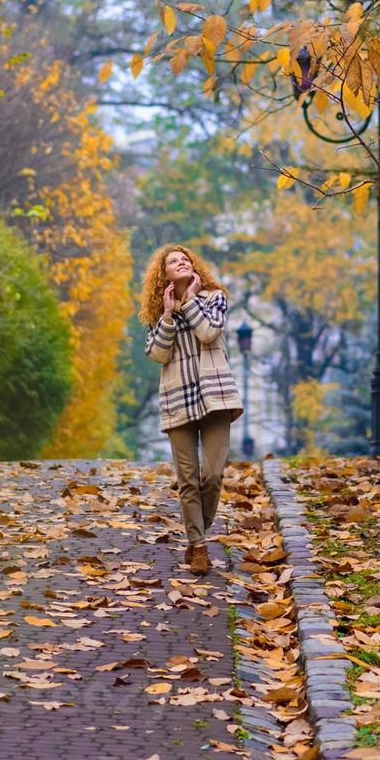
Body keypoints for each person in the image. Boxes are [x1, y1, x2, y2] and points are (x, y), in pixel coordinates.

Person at [139, 244, 244, 575]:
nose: (181, 263)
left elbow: (209, 332)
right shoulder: (158, 313)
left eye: (185, 259)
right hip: (177, 399)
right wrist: (169, 314)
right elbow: (157, 354)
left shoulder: (213, 298)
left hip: (216, 398)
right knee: (187, 480)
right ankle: (198, 547)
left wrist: (192, 300)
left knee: (211, 475)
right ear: (164, 274)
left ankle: (198, 529)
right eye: (173, 262)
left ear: (194, 267)